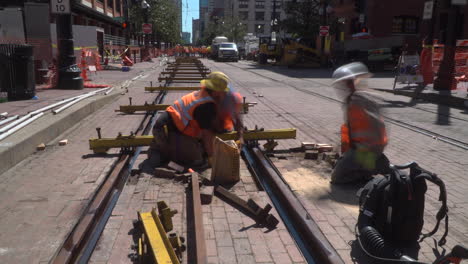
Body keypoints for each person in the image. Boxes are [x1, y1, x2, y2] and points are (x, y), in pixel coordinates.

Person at [148, 71, 244, 167]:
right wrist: (212, 158)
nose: (225, 93)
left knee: (202, 150)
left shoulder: (206, 95)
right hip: (165, 130)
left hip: (176, 126)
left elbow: (235, 118)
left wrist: (240, 137)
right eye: (223, 91)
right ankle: (160, 150)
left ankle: (169, 148)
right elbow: (207, 137)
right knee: (197, 161)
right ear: (216, 91)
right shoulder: (205, 106)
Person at [331, 62, 389, 184]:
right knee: (346, 162)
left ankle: (366, 172)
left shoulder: (357, 101)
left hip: (364, 150)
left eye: (349, 83)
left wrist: (361, 151)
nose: (346, 86)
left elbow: (373, 127)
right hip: (369, 148)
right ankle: (371, 165)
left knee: (336, 178)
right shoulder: (360, 98)